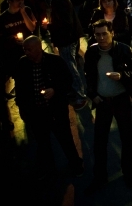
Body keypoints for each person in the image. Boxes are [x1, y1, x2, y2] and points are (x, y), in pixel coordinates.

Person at [84, 20, 132, 195]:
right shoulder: (92, 52)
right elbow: (88, 75)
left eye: (104, 33)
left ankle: (127, 172)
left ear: (112, 33)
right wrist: (92, 95)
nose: (101, 37)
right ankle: (100, 176)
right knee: (99, 142)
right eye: (98, 34)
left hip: (121, 100)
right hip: (102, 101)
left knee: (127, 138)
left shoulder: (124, 50)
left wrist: (123, 76)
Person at [13, 36, 84, 179]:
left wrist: (55, 90)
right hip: (36, 113)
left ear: (39, 48)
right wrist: (22, 107)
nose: (26, 52)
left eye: (29, 49)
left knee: (65, 139)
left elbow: (67, 81)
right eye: (24, 49)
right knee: (43, 143)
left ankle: (76, 165)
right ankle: (50, 170)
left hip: (56, 111)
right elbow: (20, 89)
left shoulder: (55, 61)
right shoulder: (23, 64)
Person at [36, 0, 87, 109]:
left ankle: (80, 96)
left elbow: (66, 22)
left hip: (67, 39)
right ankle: (74, 90)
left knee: (71, 67)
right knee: (70, 65)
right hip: (67, 37)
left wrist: (49, 26)